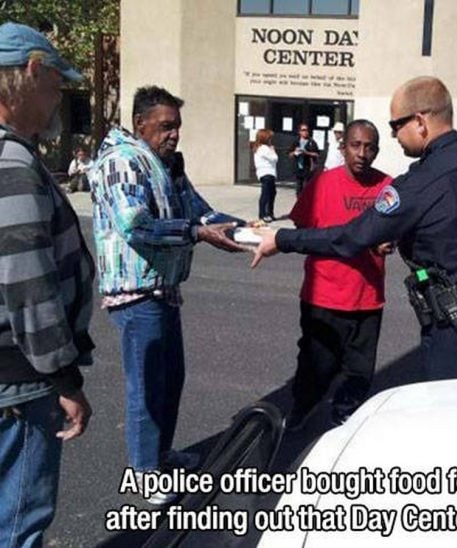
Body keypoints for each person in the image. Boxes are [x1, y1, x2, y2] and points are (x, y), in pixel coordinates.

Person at [253, 76, 457, 382]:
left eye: (396, 125)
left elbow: (351, 237)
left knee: (452, 420)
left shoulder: (422, 182)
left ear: (420, 121)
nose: (395, 136)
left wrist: (282, 238)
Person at [91, 85, 249, 505]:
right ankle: (145, 472)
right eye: (165, 127)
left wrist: (245, 228)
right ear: (140, 124)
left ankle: (161, 455)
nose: (174, 134)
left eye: (177, 126)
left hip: (164, 289)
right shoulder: (121, 162)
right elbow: (135, 225)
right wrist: (198, 233)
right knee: (146, 386)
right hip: (135, 296)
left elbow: (197, 209)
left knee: (170, 380)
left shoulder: (166, 163)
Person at [0, 22, 94, 546]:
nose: (60, 97)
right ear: (32, 71)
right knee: (18, 524)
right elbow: (28, 287)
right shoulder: (11, 162)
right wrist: (64, 379)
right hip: (19, 378)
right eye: (57, 83)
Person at [286, 120, 393, 431]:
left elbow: (397, 231)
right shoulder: (322, 184)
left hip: (367, 297)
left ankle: (345, 417)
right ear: (343, 147)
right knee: (316, 365)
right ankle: (302, 407)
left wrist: (390, 241)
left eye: (370, 147)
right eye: (356, 145)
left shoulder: (388, 186)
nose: (362, 153)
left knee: (359, 370)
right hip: (323, 295)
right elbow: (301, 230)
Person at [253, 128, 278, 222]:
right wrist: (273, 150)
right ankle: (263, 214)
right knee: (266, 194)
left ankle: (269, 213)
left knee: (272, 193)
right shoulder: (264, 148)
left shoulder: (260, 148)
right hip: (267, 173)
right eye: (270, 138)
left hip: (267, 173)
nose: (271, 140)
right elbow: (275, 158)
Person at [288, 123, 319, 196]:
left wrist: (306, 153)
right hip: (298, 167)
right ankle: (299, 202)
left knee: (307, 187)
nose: (305, 132)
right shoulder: (296, 141)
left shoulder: (312, 142)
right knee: (299, 187)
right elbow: (289, 154)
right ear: (300, 132)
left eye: (307, 130)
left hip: (307, 167)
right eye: (303, 130)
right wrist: (295, 152)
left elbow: (317, 154)